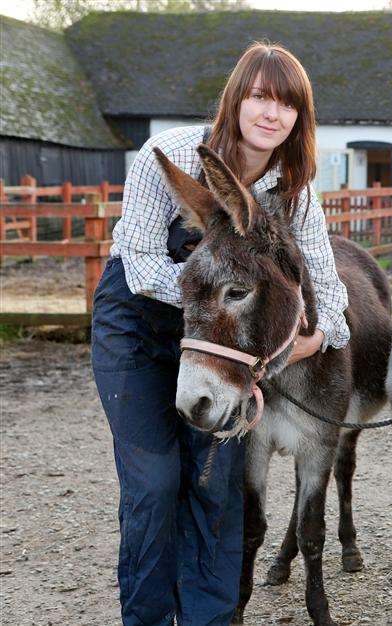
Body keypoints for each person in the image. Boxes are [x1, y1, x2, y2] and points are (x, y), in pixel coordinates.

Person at [91, 42, 350, 626]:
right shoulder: (169, 153)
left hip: (222, 339)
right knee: (156, 486)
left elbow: (330, 297)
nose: (270, 114)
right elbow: (137, 262)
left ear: (299, 120)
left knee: (215, 490)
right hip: (139, 325)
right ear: (236, 99)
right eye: (260, 96)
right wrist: (217, 302)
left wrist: (304, 341)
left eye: (287, 105)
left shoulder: (295, 195)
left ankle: (211, 619)